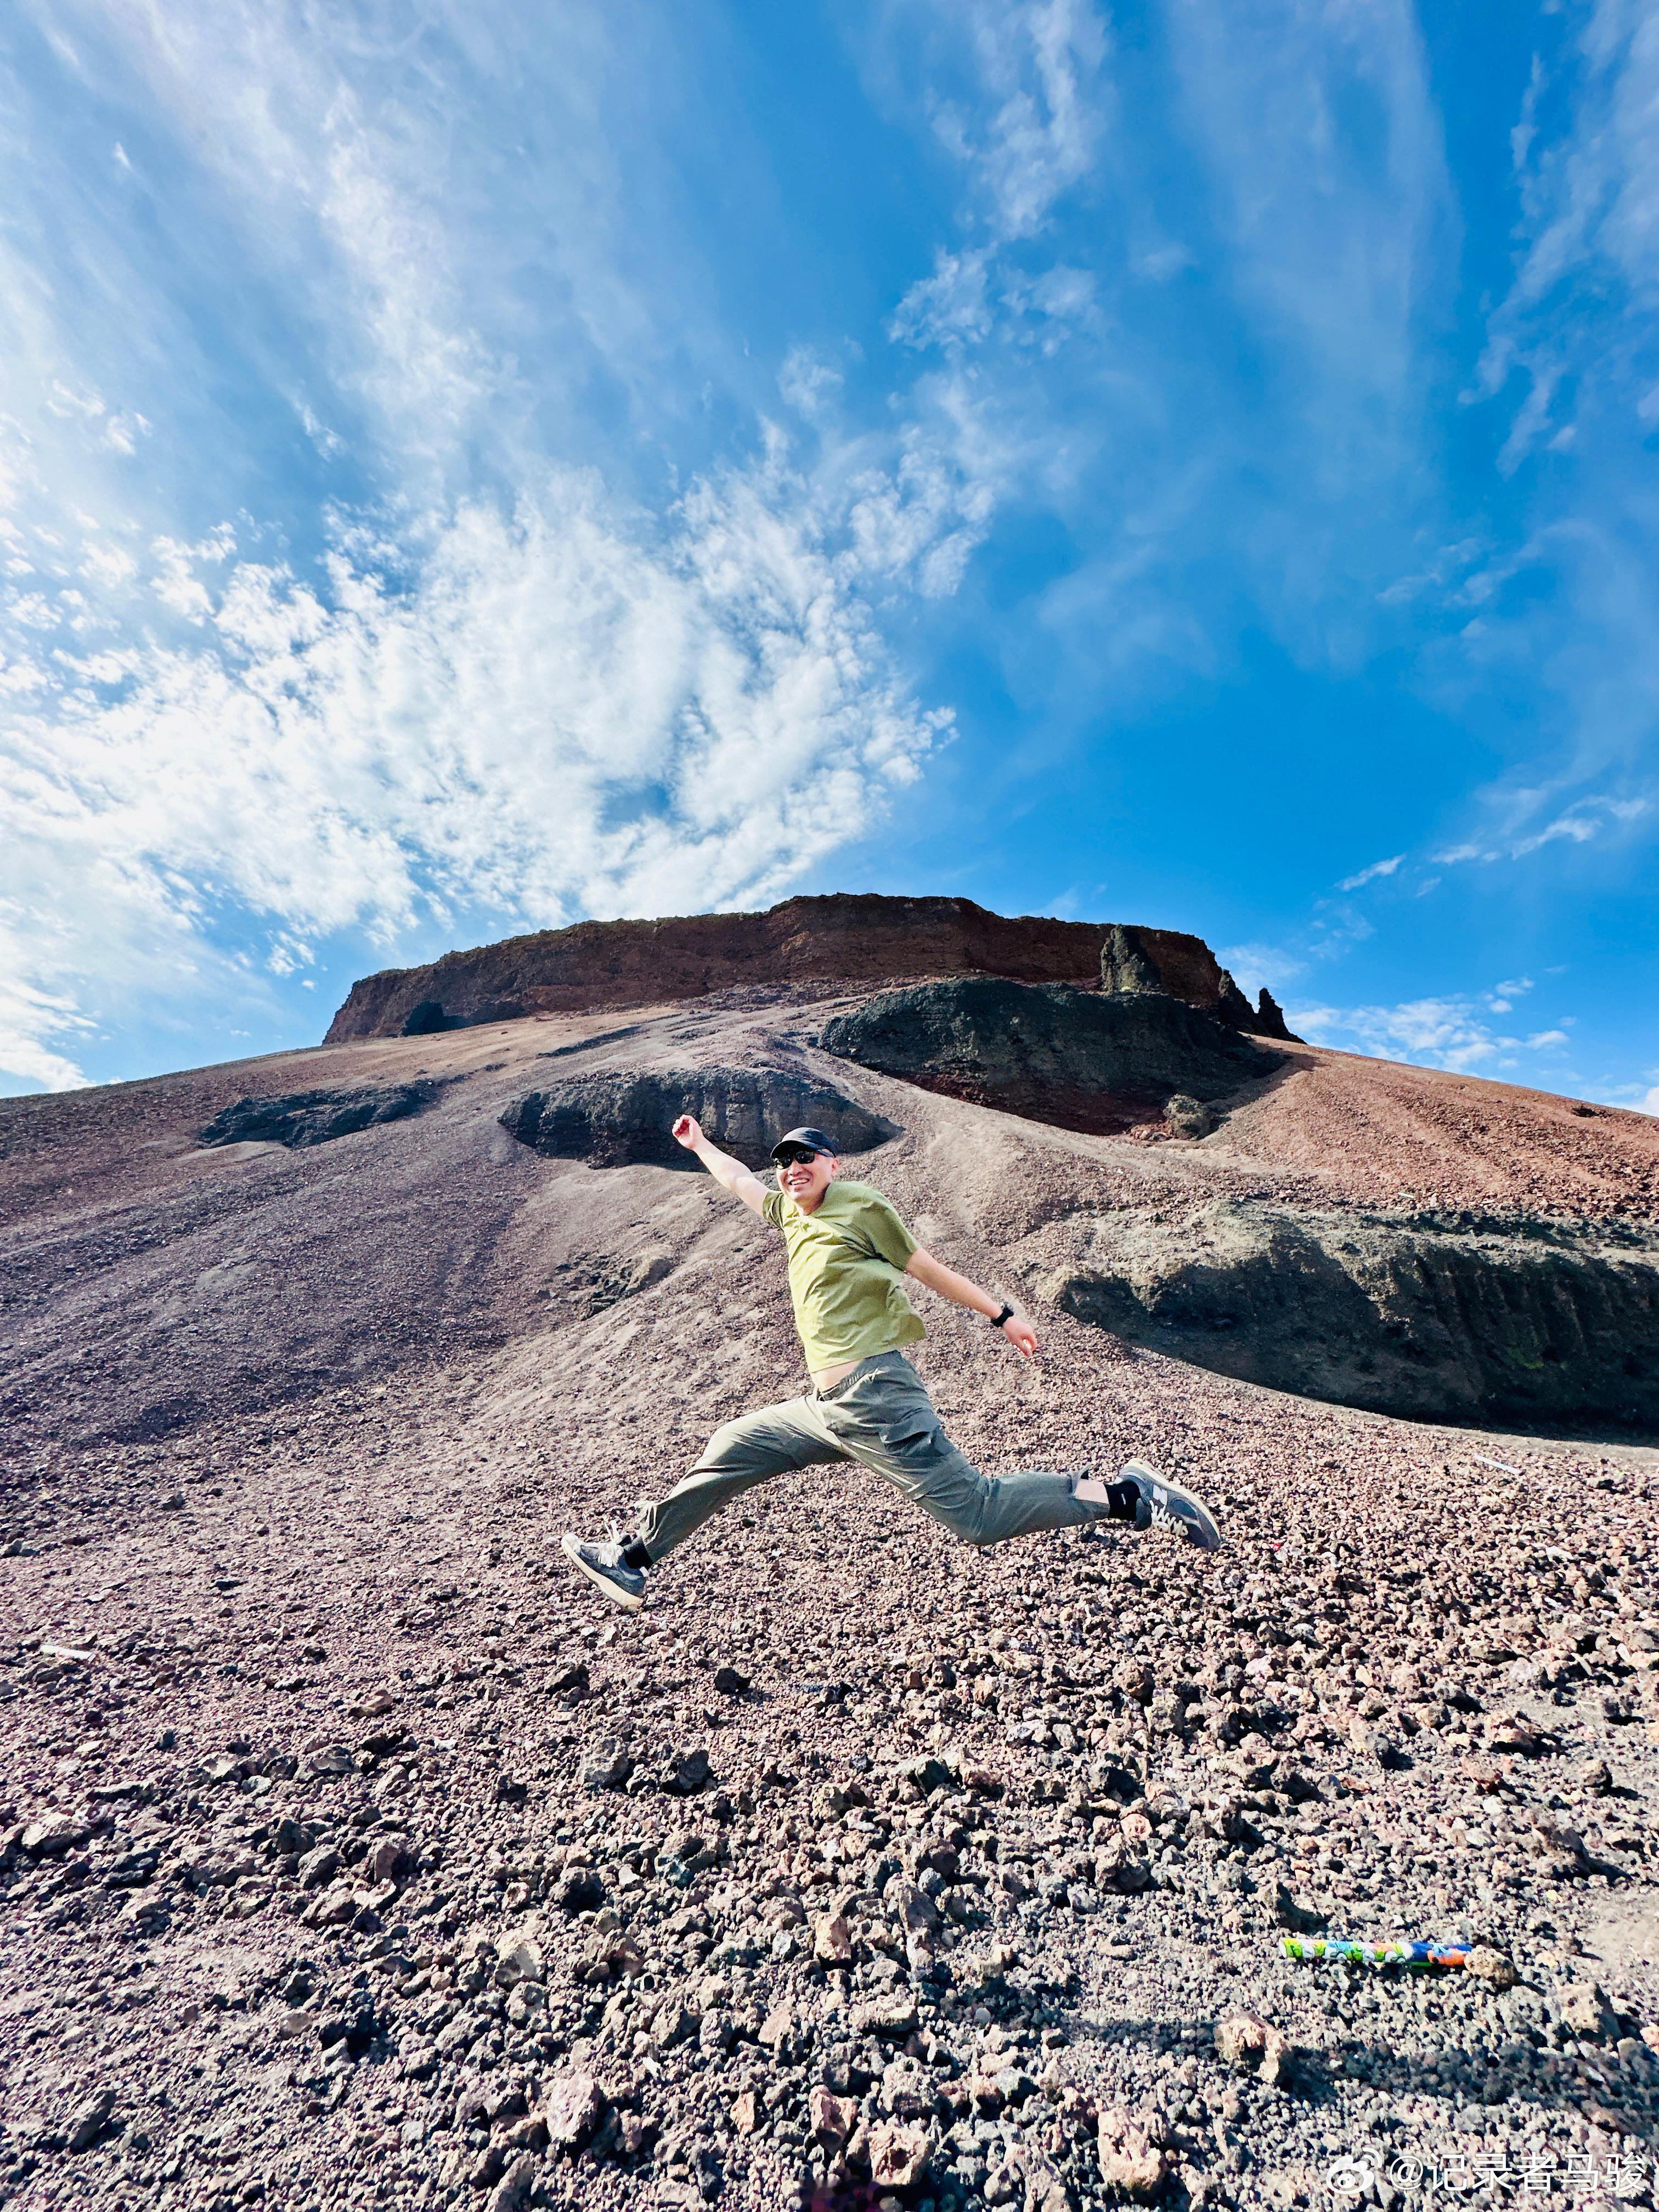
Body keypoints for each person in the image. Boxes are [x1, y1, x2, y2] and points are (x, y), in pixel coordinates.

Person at [561, 1119, 1221, 1611]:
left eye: (805, 1157)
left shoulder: (863, 1206)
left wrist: (1002, 1315)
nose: (792, 1168)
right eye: (784, 1160)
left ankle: (1127, 1496)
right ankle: (632, 1557)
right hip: (828, 1412)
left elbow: (927, 1269)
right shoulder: (791, 1216)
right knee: (735, 1443)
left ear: (832, 1163)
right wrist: (699, 1144)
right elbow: (739, 1181)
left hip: (877, 1397)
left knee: (979, 1516)